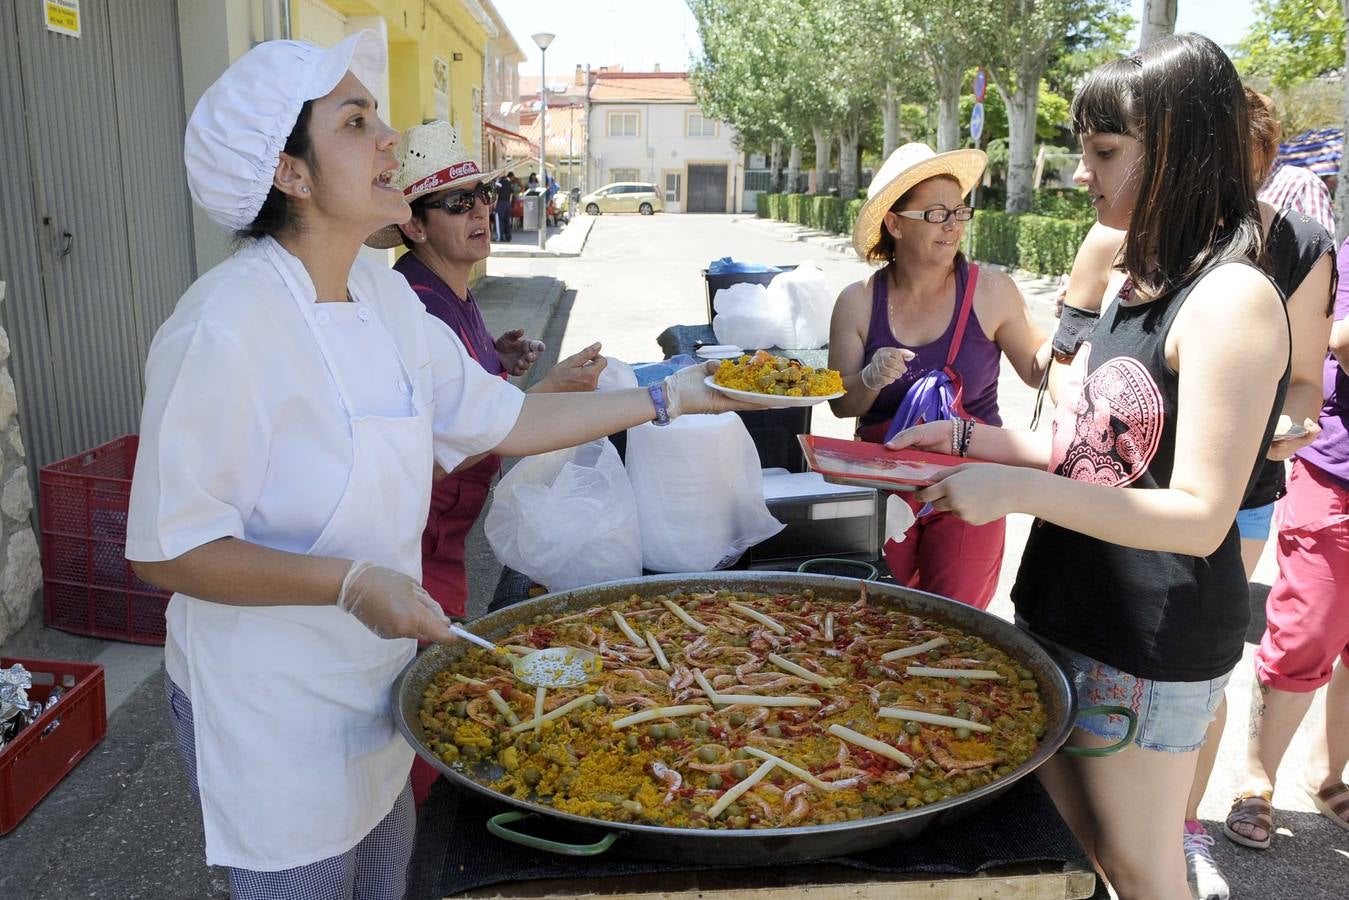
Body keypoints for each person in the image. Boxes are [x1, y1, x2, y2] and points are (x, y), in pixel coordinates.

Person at [125, 33, 746, 899]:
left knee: (388, 880)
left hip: (379, 677)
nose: (386, 136)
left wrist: (671, 398)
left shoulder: (382, 296)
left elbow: (505, 414)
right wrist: (348, 584)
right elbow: (167, 549)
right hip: (269, 707)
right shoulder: (222, 328)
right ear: (290, 174)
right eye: (353, 120)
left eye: (373, 113)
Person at [892, 36, 1290, 898]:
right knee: (1071, 851)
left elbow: (1198, 515)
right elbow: (1100, 459)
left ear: (1183, 146)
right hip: (1066, 609)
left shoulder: (1231, 299)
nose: (1081, 174)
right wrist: (967, 442)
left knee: (1138, 867)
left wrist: (1016, 490)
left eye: (1103, 152)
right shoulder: (1136, 276)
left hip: (1147, 645)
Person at [365, 120, 606, 622]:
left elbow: (454, 378)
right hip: (418, 534)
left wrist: (495, 355)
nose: (480, 210)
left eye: (483, 193)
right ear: (414, 225)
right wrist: (547, 388)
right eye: (456, 203)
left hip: (448, 524)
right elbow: (445, 430)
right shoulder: (415, 302)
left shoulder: (448, 285)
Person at [828, 142, 1048, 610]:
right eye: (935, 214)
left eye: (959, 211)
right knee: (879, 618)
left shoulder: (992, 291)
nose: (952, 225)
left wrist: (1079, 320)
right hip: (884, 484)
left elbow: (1036, 370)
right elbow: (841, 404)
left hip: (972, 483)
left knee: (958, 622)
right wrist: (869, 377)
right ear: (894, 223)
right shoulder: (858, 301)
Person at [1225, 238, 1349, 853]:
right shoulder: (1341, 253)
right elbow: (1339, 340)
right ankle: (1255, 778)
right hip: (1336, 478)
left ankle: (1327, 773)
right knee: (1306, 634)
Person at [493, 170, 516, 241]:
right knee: (507, 220)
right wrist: (509, 203)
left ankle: (500, 237)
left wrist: (495, 204)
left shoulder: (498, 183)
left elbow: (497, 194)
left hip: (500, 203)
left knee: (499, 220)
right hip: (507, 203)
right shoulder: (508, 182)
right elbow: (511, 194)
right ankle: (508, 237)